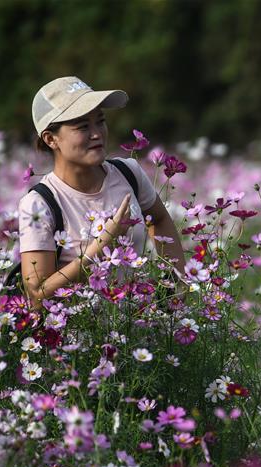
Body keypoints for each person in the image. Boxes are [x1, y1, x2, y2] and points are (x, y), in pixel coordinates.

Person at [18, 76, 185, 306]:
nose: (97, 133)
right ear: (51, 139)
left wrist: (176, 287)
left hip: (142, 328)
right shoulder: (39, 204)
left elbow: (160, 218)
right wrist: (104, 240)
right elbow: (37, 295)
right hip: (76, 338)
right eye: (83, 126)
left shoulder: (128, 172)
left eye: (101, 121)